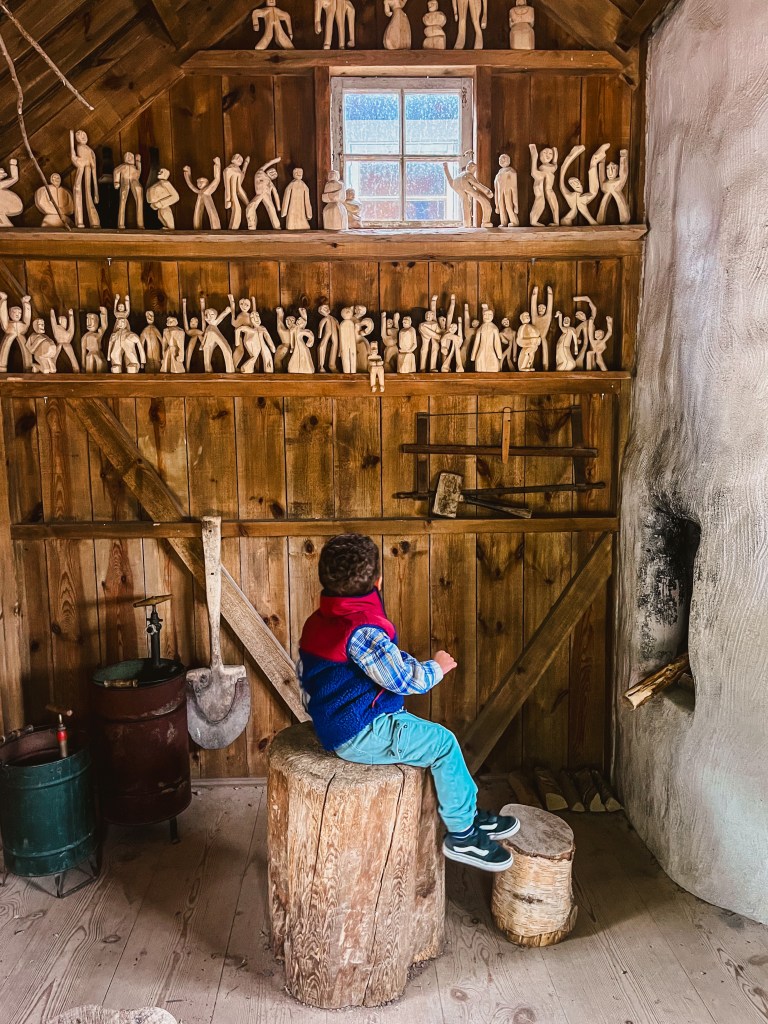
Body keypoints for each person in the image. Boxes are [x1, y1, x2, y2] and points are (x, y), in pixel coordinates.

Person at [298, 534, 519, 871]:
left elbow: (315, 675)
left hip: (345, 720)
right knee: (443, 744)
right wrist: (436, 668)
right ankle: (462, 835)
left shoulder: (320, 621)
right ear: (378, 581)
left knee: (435, 740)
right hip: (360, 731)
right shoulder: (361, 630)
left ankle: (468, 813)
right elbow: (402, 679)